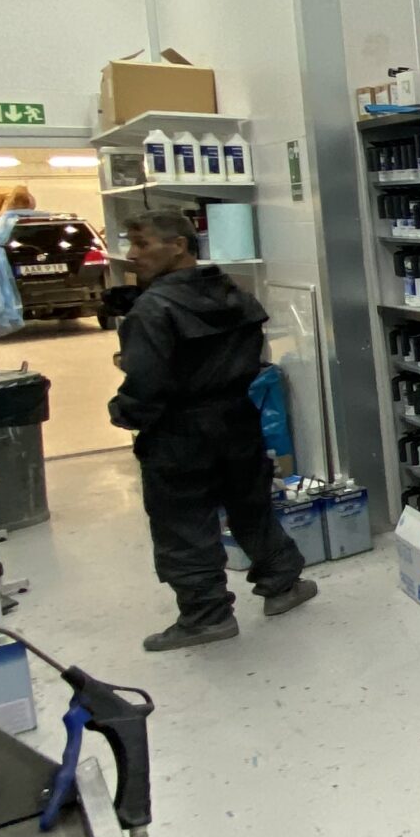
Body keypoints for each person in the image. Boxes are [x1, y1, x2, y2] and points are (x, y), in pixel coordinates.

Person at [109, 209, 316, 651]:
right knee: (250, 506)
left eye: (142, 244)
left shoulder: (153, 310)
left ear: (178, 246)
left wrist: (123, 412)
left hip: (178, 433)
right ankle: (283, 583)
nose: (132, 255)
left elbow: (146, 385)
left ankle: (206, 617)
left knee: (182, 523)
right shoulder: (233, 292)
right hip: (237, 420)